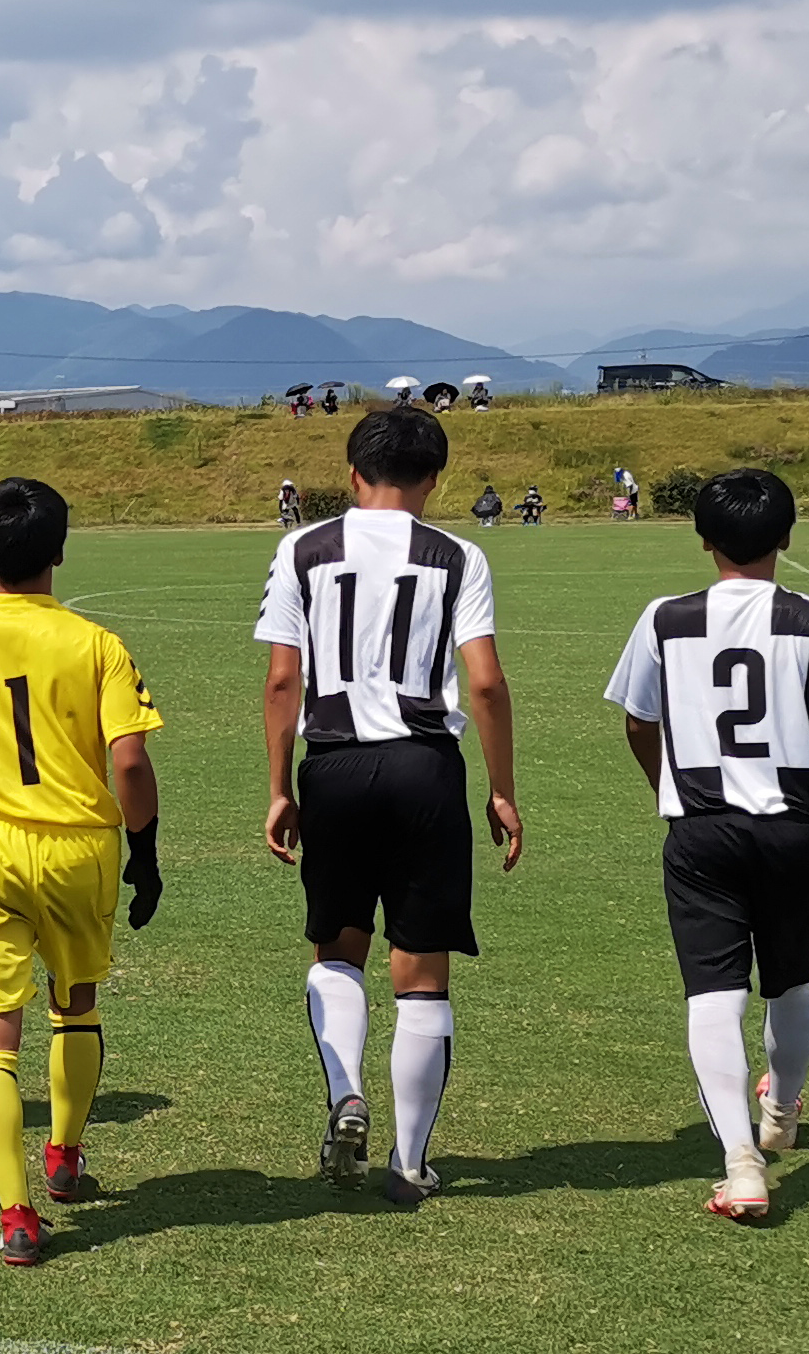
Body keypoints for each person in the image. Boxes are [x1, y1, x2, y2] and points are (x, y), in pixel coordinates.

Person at [603, 469, 809, 1220]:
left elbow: (638, 721)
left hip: (701, 826)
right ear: (786, 537)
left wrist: (665, 788)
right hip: (795, 827)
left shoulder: (664, 617)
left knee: (713, 991)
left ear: (703, 538)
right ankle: (779, 1116)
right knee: (792, 981)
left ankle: (740, 1162)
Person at [257, 405, 520, 1206]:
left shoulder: (303, 546)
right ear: (435, 479)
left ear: (350, 472)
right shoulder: (458, 555)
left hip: (333, 765)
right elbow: (483, 681)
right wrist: (501, 789)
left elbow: (280, 679)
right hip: (424, 766)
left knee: (337, 948)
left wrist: (278, 786)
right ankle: (410, 1162)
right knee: (422, 969)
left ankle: (346, 1096)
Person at [0, 477, 161, 1265]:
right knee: (74, 1004)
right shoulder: (97, 645)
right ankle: (64, 1156)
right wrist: (145, 850)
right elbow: (129, 760)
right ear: (59, 550)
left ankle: (15, 1214)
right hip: (80, 847)